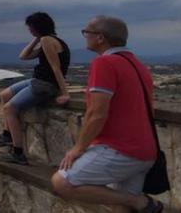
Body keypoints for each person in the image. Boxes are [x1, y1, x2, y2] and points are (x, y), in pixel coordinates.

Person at [51, 16, 164, 213]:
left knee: (62, 182)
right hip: (146, 151)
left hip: (121, 150)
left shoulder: (104, 63)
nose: (85, 36)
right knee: (119, 206)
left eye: (87, 32)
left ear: (100, 37)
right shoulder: (138, 65)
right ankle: (134, 201)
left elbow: (97, 113)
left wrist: (78, 148)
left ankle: (139, 202)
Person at [0, 12, 71, 165]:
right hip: (37, 80)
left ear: (38, 27)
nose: (29, 30)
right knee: (4, 95)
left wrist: (65, 93)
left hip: (45, 84)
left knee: (9, 109)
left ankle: (18, 153)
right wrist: (37, 39)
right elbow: (24, 56)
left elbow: (56, 68)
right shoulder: (46, 40)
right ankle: (7, 134)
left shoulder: (48, 40)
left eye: (31, 28)